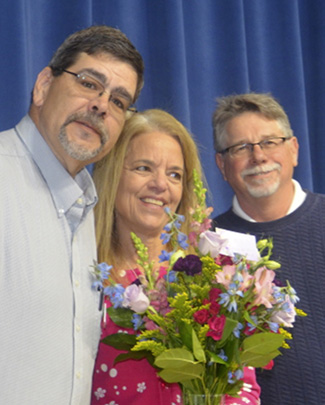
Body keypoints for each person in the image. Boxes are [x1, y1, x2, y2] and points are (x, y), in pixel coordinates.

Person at [0, 25, 144, 405]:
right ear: (44, 85)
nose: (100, 105)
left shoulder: (87, 211)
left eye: (118, 101)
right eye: (89, 83)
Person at [91, 109, 261, 404]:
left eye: (174, 174)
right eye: (143, 168)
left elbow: (243, 386)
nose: (161, 184)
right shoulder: (84, 276)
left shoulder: (212, 276)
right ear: (112, 173)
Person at [212, 92, 325, 404]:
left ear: (294, 150)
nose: (258, 156)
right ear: (222, 165)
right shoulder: (207, 247)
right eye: (241, 148)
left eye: (270, 142)